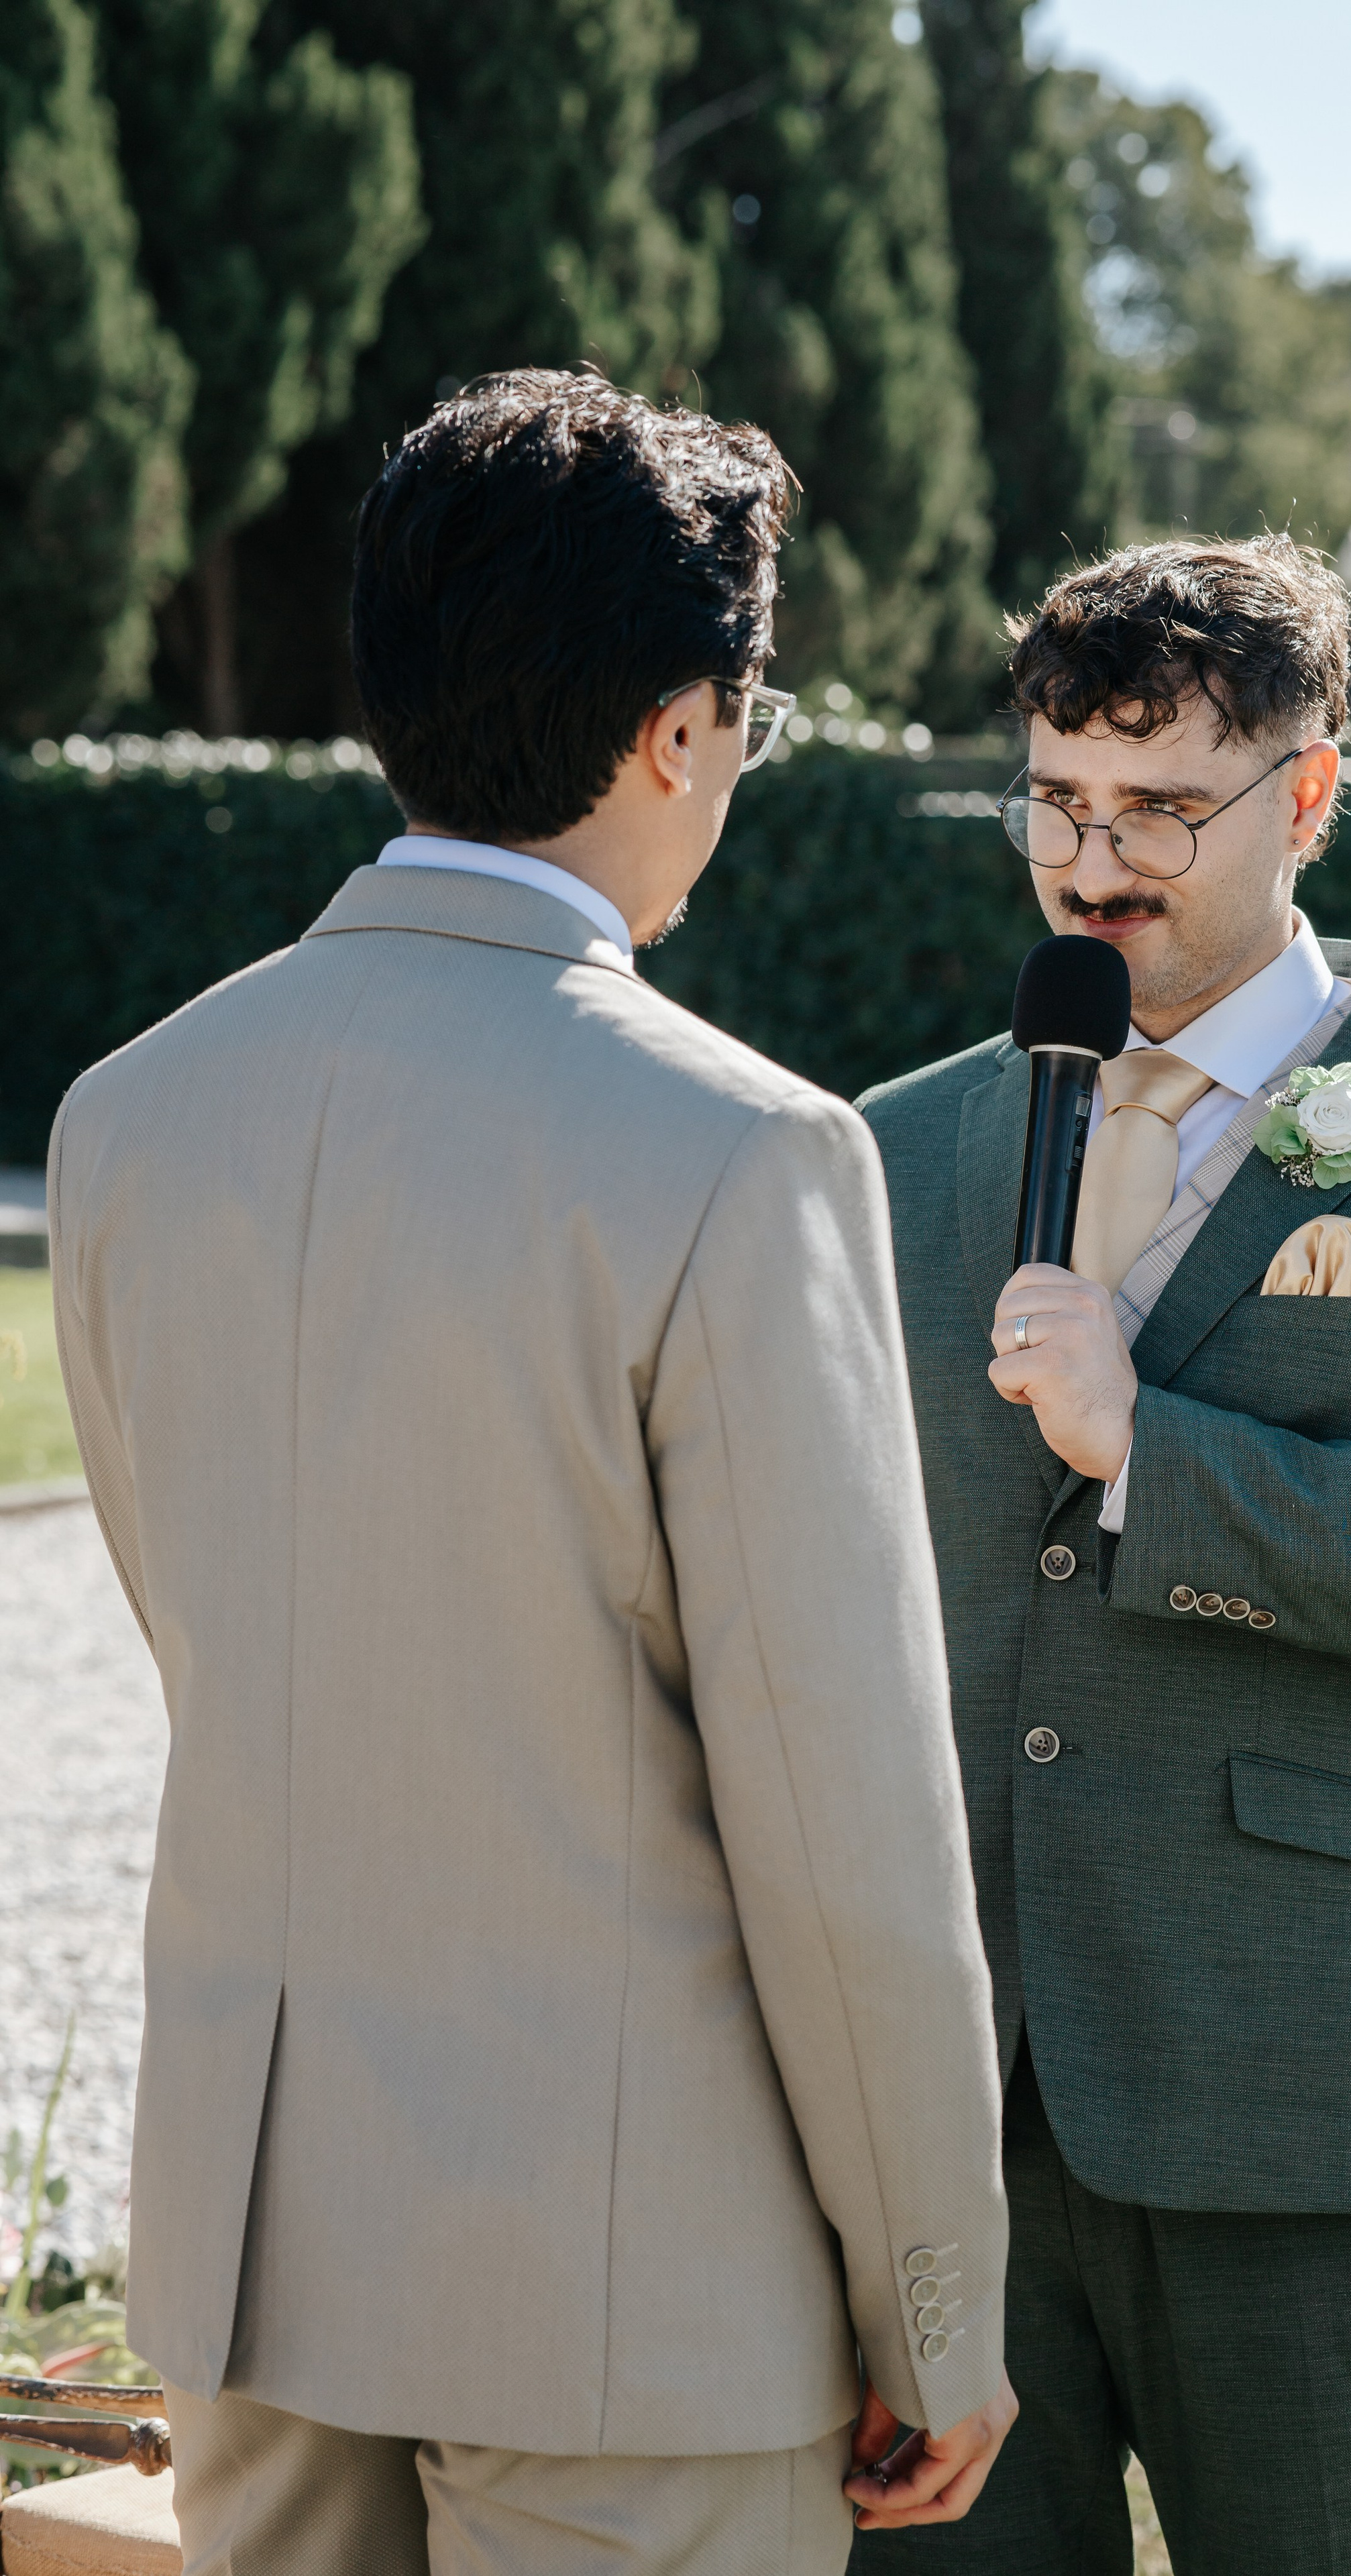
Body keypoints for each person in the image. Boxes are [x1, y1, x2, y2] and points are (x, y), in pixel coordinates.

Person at [50, 369, 1014, 2576]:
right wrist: (935, 2310)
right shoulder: (745, 1150)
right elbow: (838, 1807)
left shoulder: (130, 1113)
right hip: (631, 2293)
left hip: (253, 2250)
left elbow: (206, 1626)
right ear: (683, 724)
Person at [847, 537, 1351, 2575]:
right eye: (1058, 802)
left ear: (1305, 795)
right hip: (952, 2122)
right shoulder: (888, 1147)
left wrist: (1155, 1458)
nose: (1093, 865)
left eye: (1159, 811)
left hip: (1310, 2100)